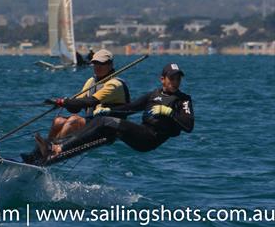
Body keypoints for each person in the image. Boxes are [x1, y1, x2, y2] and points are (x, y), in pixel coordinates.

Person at [35, 63, 194, 164]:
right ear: (162, 79)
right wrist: (110, 110)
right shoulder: (153, 95)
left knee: (105, 122)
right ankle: (41, 154)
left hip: (150, 139)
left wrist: (169, 112)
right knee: (102, 122)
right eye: (172, 78)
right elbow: (129, 107)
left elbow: (189, 125)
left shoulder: (183, 100)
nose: (175, 82)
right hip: (142, 132)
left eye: (178, 79)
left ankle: (57, 149)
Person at [23, 49, 130, 163]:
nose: (97, 67)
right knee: (58, 121)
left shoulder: (115, 84)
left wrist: (64, 102)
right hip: (92, 123)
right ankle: (41, 152)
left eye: (102, 64)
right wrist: (64, 103)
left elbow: (91, 101)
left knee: (74, 120)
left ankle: (54, 150)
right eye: (95, 63)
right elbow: (76, 106)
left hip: (107, 129)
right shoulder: (91, 81)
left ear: (110, 65)